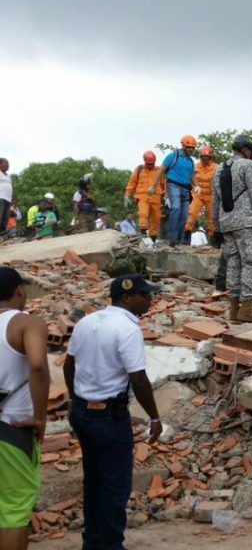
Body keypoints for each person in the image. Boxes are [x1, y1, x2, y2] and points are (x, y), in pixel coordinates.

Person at [64, 274, 162, 550]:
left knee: (94, 481)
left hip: (83, 412)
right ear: (128, 297)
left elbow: (68, 365)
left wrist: (74, 400)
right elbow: (139, 379)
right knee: (115, 485)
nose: (150, 300)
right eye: (146, 295)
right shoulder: (127, 328)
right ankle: (110, 545)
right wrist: (154, 417)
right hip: (109, 417)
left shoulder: (87, 321)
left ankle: (92, 542)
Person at [0, 268, 50, 550]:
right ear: (19, 290)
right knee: (15, 508)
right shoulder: (27, 323)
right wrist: (40, 417)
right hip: (12, 428)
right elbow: (38, 365)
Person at [212, 134, 252, 323]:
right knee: (250, 263)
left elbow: (215, 202)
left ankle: (233, 309)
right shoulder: (248, 167)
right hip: (247, 223)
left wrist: (216, 226)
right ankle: (246, 309)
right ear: (246, 150)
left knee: (233, 263)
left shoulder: (218, 170)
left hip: (226, 224)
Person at [154, 135, 197, 246]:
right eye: (189, 147)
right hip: (173, 185)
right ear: (183, 146)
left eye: (193, 148)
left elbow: (192, 176)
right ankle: (172, 238)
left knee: (184, 217)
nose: (191, 150)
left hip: (186, 189)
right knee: (176, 208)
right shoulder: (173, 156)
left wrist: (196, 186)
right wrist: (152, 186)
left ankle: (177, 241)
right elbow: (160, 170)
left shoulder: (191, 161)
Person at [124, 151, 164, 240]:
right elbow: (132, 183)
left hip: (156, 197)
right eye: (149, 164)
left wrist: (167, 196)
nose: (150, 165)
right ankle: (143, 235)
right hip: (142, 196)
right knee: (143, 214)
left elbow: (165, 184)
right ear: (145, 161)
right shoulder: (139, 169)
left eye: (152, 163)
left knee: (156, 218)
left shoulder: (159, 171)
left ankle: (153, 238)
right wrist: (127, 195)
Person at [185, 146, 217, 239]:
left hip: (211, 195)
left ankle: (213, 240)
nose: (205, 159)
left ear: (210, 157)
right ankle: (186, 238)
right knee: (191, 214)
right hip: (197, 194)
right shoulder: (194, 167)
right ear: (200, 157)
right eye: (203, 157)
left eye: (207, 157)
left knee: (212, 218)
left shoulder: (216, 168)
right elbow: (188, 179)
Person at [0, 158, 13, 238]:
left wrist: (13, 199)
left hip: (8, 199)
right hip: (0, 198)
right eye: (6, 163)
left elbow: (11, 187)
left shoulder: (8, 176)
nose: (8, 165)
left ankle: (2, 232)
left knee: (6, 217)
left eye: (8, 163)